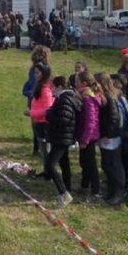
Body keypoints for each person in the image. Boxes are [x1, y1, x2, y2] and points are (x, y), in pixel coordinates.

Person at [44, 76, 83, 208]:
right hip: (62, 136)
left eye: (53, 87)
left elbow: (64, 119)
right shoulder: (64, 98)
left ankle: (64, 193)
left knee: (50, 165)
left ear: (60, 87)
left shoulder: (65, 99)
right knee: (64, 162)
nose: (52, 90)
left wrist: (48, 114)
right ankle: (67, 187)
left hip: (62, 137)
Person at [95, 72, 125, 205]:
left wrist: (108, 134)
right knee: (106, 164)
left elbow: (114, 117)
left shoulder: (110, 97)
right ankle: (111, 190)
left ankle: (118, 191)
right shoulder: (103, 96)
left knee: (114, 164)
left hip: (111, 137)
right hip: (105, 135)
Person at [75, 71, 102, 199]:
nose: (75, 83)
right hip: (85, 135)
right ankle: (84, 185)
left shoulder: (88, 98)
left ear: (84, 83)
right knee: (84, 161)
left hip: (89, 136)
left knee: (90, 163)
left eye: (77, 81)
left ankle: (95, 190)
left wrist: (85, 139)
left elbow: (91, 121)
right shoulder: (84, 96)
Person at [27, 62, 54, 177]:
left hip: (44, 124)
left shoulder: (46, 90)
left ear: (44, 74)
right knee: (43, 150)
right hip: (38, 122)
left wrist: (31, 113)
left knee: (46, 150)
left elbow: (48, 110)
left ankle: (49, 173)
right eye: (35, 72)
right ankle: (46, 170)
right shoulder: (39, 86)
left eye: (37, 73)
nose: (35, 75)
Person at [23, 46, 51, 155]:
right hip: (40, 97)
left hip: (34, 98)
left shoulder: (33, 67)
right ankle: (39, 149)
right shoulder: (43, 67)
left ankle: (37, 148)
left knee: (35, 123)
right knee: (40, 123)